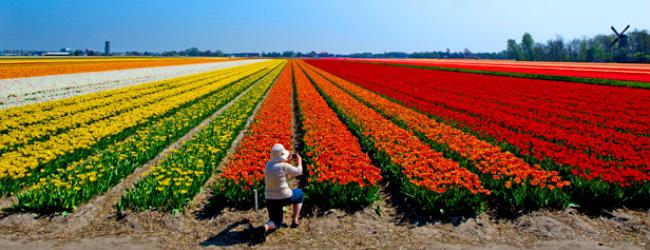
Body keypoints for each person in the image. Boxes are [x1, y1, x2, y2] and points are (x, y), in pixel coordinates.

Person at [262, 143, 303, 232]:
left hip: (270, 199)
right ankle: (295, 220)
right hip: (285, 197)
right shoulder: (284, 166)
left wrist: (285, 160)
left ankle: (265, 227)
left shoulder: (268, 164)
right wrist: (299, 160)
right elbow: (299, 171)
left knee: (276, 221)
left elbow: (277, 167)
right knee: (300, 194)